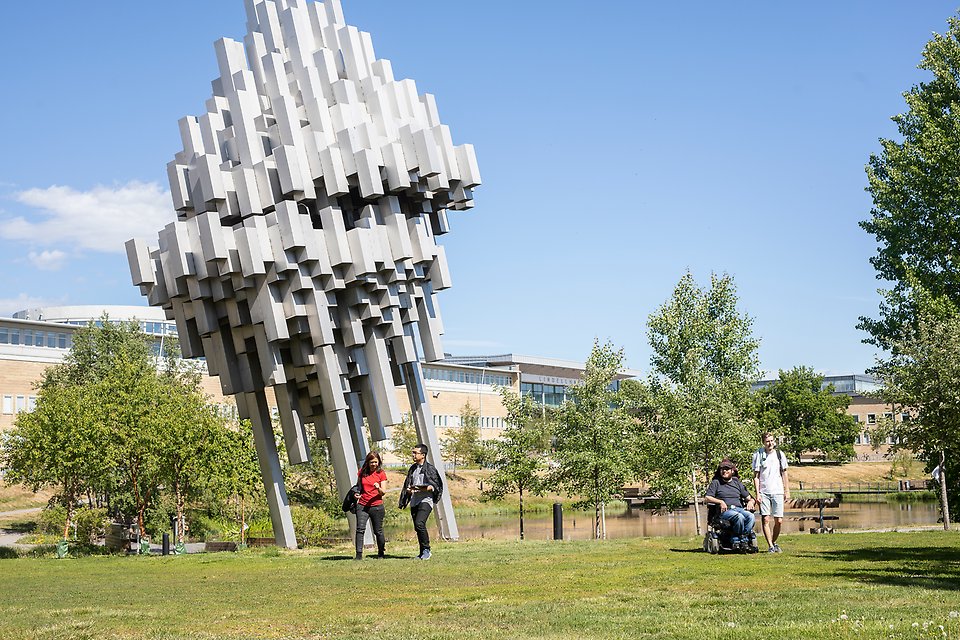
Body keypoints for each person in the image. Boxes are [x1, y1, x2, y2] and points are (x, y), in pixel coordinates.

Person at [398, 443, 443, 560]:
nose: (413, 455)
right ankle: (422, 552)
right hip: (414, 501)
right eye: (412, 452)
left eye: (415, 453)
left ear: (423, 455)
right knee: (417, 527)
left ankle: (427, 550)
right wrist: (407, 492)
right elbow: (408, 484)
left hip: (426, 500)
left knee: (419, 523)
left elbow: (434, 486)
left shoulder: (430, 469)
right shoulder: (413, 468)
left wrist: (418, 488)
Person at [704, 459, 757, 551]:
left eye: (727, 469)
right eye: (722, 469)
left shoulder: (737, 483)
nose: (724, 471)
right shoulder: (716, 482)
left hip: (739, 509)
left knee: (750, 516)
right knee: (738, 516)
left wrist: (751, 502)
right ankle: (736, 540)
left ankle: (743, 539)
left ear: (732, 471)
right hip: (725, 512)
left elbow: (750, 497)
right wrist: (720, 502)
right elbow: (707, 497)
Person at [752, 432, 790, 553]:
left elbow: (784, 473)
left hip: (777, 491)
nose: (770, 443)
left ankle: (773, 542)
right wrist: (757, 493)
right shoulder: (758, 454)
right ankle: (770, 546)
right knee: (766, 519)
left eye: (772, 441)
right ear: (763, 442)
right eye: (767, 441)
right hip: (764, 492)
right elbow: (756, 476)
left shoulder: (780, 454)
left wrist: (786, 490)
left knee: (779, 520)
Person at [354, 451, 387, 560]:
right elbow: (358, 486)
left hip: (377, 506)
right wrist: (356, 494)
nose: (374, 464)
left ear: (379, 462)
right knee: (360, 529)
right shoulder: (362, 472)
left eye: (376, 462)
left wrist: (378, 487)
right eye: (371, 462)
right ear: (367, 462)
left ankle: (381, 553)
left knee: (378, 531)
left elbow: (383, 492)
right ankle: (358, 555)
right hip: (362, 506)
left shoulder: (381, 473)